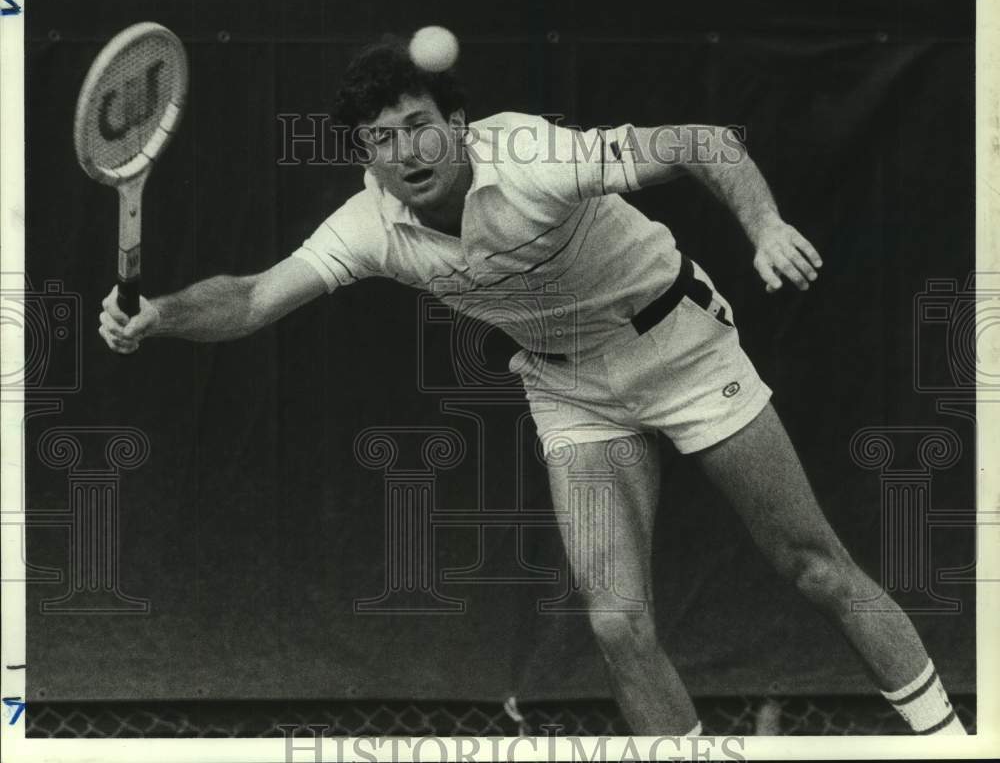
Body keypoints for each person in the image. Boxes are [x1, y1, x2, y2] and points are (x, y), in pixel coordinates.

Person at [98, 36, 965, 736]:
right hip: (571, 391)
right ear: (368, 158)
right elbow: (252, 297)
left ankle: (944, 738)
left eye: (416, 125)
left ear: (459, 124)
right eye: (380, 141)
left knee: (814, 566)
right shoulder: (371, 225)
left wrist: (765, 222)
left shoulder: (535, 157)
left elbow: (703, 143)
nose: (405, 153)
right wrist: (159, 316)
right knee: (617, 622)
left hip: (682, 347)